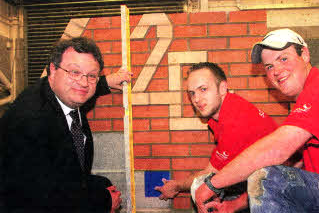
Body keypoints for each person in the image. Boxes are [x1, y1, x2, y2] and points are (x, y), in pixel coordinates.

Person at [194, 28, 319, 213]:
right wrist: (234, 205)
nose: (276, 71)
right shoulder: (306, 102)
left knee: (267, 176)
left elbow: (278, 149)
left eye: (283, 59)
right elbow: (292, 163)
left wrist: (212, 184)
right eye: (269, 66)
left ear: (305, 55)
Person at [0, 37, 132, 213]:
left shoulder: (58, 92)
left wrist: (105, 82)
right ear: (52, 70)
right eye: (74, 72)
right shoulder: (30, 123)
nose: (84, 83)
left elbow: (81, 85)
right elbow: (43, 198)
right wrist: (104, 201)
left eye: (92, 75)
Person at [155, 62, 277, 212]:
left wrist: (177, 185)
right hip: (264, 178)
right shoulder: (226, 110)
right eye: (192, 93)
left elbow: (210, 173)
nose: (197, 99)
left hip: (280, 189)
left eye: (203, 89)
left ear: (222, 88)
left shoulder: (234, 121)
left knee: (202, 187)